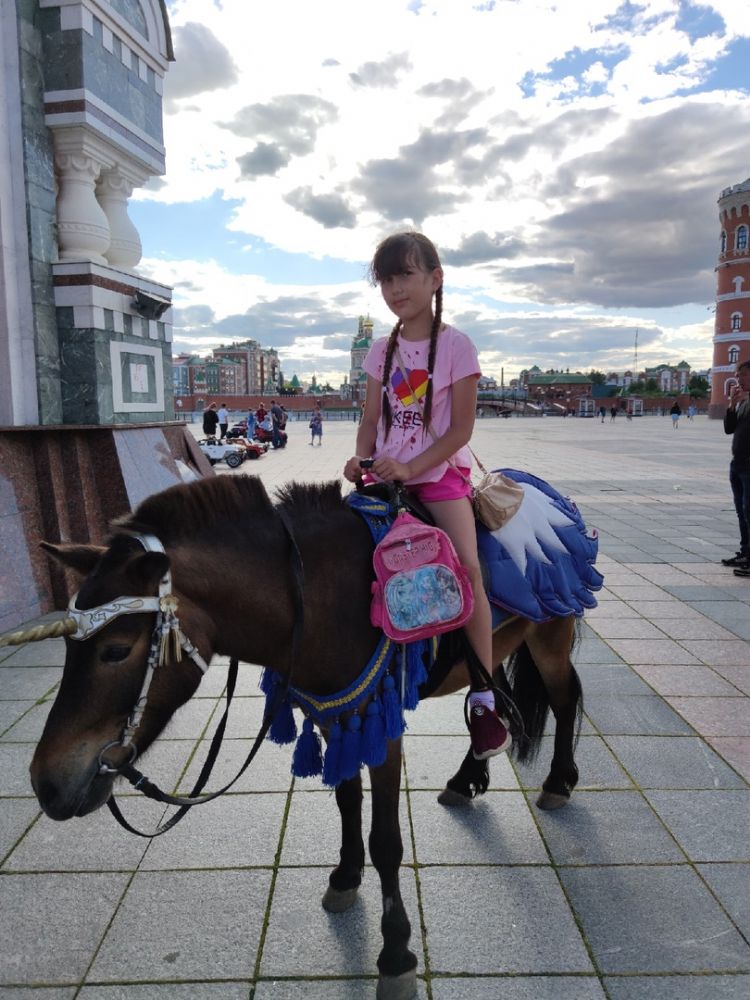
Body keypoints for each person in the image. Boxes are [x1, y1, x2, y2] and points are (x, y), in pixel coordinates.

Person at [343, 231, 511, 760]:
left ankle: (483, 697)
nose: (395, 289)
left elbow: (460, 430)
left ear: (435, 279)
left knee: (469, 570)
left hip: (437, 479)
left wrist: (412, 467)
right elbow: (371, 419)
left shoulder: (458, 346)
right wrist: (361, 459)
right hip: (385, 478)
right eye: (386, 280)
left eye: (406, 275)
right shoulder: (380, 350)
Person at [722, 361, 750, 576]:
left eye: (743, 375)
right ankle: (746, 552)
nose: (739, 379)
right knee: (742, 510)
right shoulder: (741, 401)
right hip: (738, 463)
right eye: (738, 375)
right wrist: (732, 404)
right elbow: (728, 428)